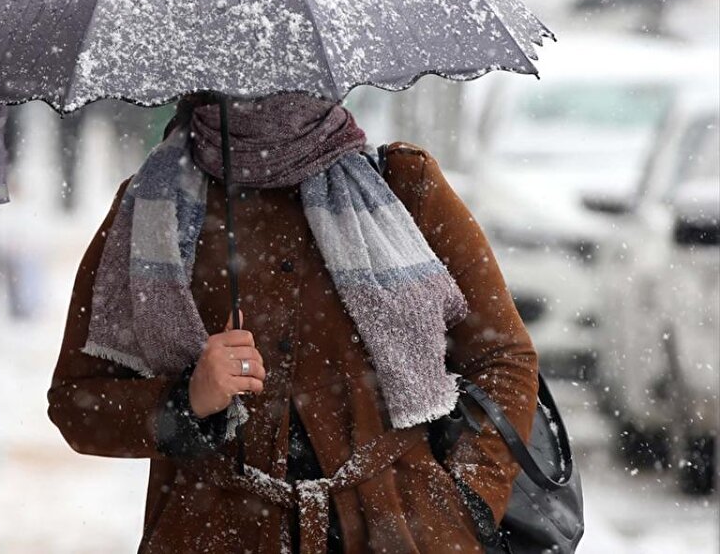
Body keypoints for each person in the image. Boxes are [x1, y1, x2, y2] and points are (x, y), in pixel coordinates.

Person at [47, 92, 539, 553]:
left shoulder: (403, 185)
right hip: (212, 533)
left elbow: (502, 358)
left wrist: (464, 503)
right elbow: (78, 402)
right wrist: (186, 402)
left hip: (395, 530)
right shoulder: (152, 207)